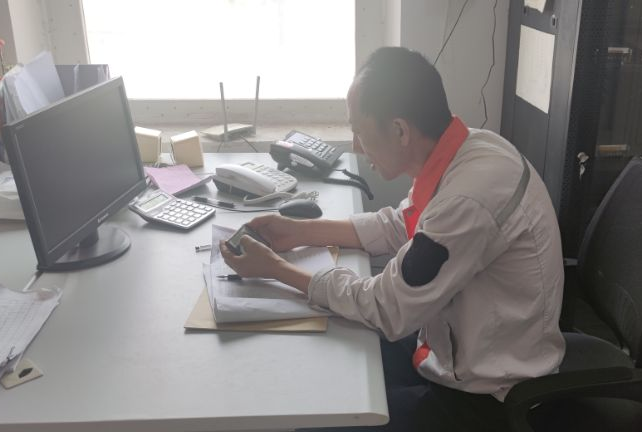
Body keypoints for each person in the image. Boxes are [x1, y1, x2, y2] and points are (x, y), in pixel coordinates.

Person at [220, 46, 565, 431]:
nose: (356, 146)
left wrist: (277, 270)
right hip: (450, 348)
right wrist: (299, 231)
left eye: (359, 131)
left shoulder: (466, 200)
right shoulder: (466, 150)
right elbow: (402, 225)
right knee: (326, 352)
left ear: (400, 130)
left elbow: (386, 307)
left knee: (313, 416)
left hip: (487, 399)